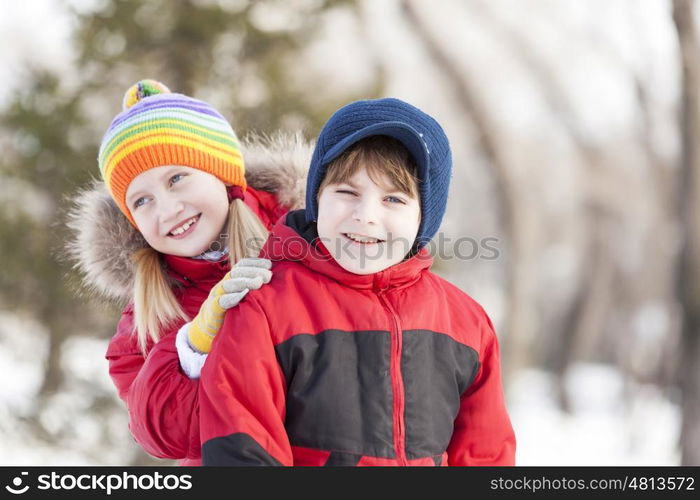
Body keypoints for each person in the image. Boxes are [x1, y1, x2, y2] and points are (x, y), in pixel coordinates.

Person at [199, 97, 516, 466]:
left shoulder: (466, 323)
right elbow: (242, 452)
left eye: (394, 199)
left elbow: (485, 453)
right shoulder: (265, 308)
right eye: (347, 192)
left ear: (423, 219)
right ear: (317, 197)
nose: (365, 215)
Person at [67, 79, 311, 465]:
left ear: (221, 173)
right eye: (142, 200)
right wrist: (192, 348)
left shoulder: (309, 241)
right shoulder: (143, 329)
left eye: (177, 178)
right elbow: (170, 435)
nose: (167, 210)